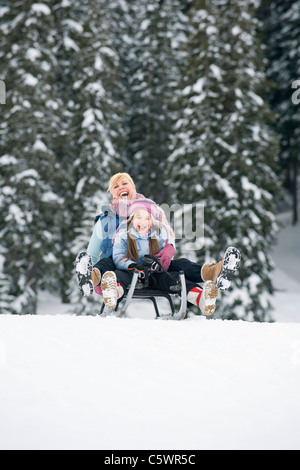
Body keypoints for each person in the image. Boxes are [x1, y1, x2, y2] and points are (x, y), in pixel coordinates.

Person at [75, 172, 240, 304]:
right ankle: (92, 278)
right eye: (116, 186)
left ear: (132, 187)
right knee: (106, 263)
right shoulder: (106, 219)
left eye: (125, 183)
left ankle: (214, 272)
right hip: (119, 266)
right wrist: (98, 281)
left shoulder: (152, 209)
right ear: (112, 193)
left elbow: (167, 234)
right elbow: (93, 254)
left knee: (181, 265)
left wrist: (169, 249)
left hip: (152, 263)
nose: (121, 187)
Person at [100, 198, 219, 316]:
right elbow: (118, 257)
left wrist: (158, 262)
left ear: (151, 221)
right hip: (131, 273)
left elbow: (167, 249)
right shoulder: (123, 235)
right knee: (120, 276)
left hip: (155, 275)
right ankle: (112, 292)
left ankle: (201, 298)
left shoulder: (158, 235)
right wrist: (132, 265)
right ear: (132, 218)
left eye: (147, 218)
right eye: (139, 217)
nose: (143, 222)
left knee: (175, 279)